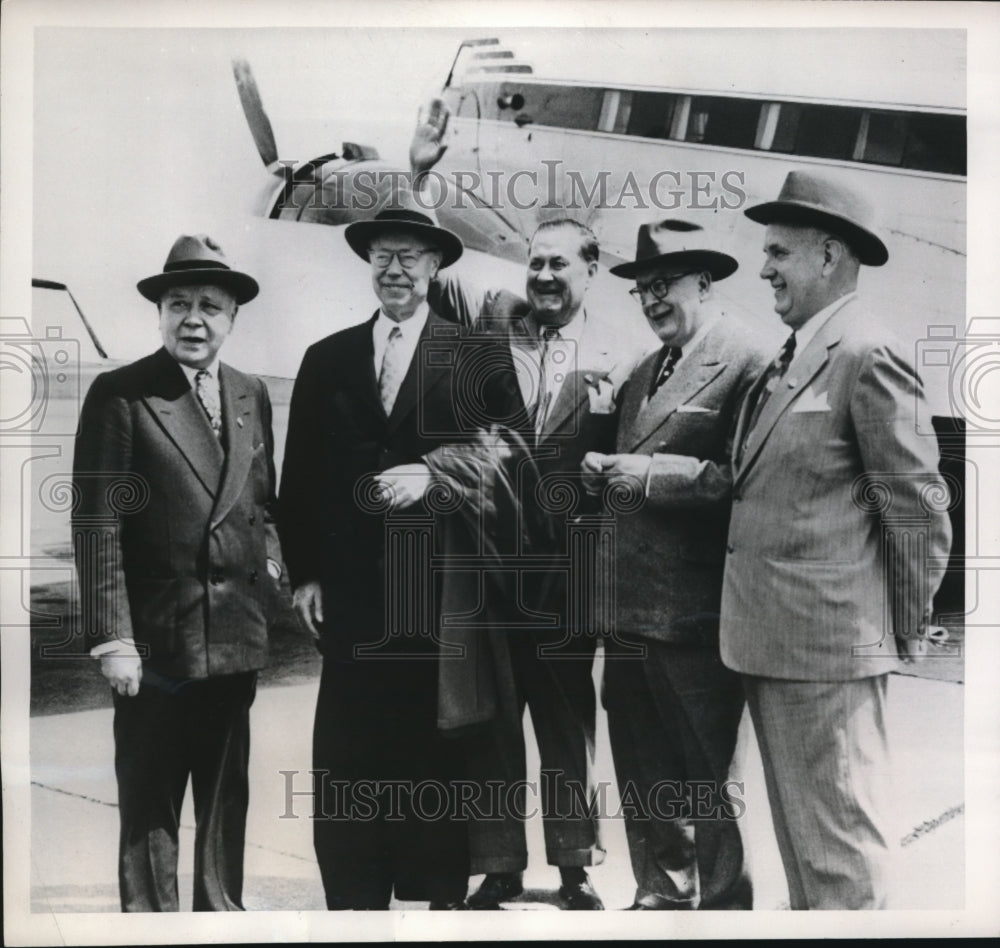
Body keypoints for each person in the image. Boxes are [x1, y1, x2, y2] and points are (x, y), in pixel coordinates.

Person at [277, 193, 523, 910]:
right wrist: (305, 575)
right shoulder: (326, 359)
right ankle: (353, 902)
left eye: (409, 256)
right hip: (350, 598)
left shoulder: (475, 355)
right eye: (382, 255)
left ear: (435, 264)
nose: (394, 269)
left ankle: (437, 896)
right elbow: (301, 480)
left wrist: (433, 472)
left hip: (437, 595)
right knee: (349, 755)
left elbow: (510, 452)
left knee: (432, 754)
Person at [722, 170, 952, 909]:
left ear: (827, 256)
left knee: (842, 860)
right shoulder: (798, 355)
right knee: (811, 860)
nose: (764, 269)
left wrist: (900, 625)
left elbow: (917, 507)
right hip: (780, 647)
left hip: (827, 655)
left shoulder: (866, 354)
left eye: (778, 252)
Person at [436, 218, 648, 910]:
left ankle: (574, 865)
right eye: (536, 264)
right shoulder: (496, 319)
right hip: (494, 565)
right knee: (494, 720)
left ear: (590, 270)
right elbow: (434, 271)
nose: (545, 277)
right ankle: (498, 864)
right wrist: (421, 179)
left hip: (568, 571)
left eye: (560, 264)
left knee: (565, 719)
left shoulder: (622, 353)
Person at [72, 234, 283, 911]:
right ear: (159, 314)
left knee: (225, 803)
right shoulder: (123, 395)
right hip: (157, 644)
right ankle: (149, 923)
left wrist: (273, 564)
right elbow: (98, 525)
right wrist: (113, 639)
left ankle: (220, 917)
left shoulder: (251, 394)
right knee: (151, 806)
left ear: (232, 318)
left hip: (235, 638)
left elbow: (261, 504)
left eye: (210, 306)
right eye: (179, 304)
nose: (194, 319)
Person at [581, 219, 768, 910]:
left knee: (711, 777)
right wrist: (603, 458)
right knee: (641, 766)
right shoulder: (643, 366)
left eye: (665, 286)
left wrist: (647, 474)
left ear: (705, 282)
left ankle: (724, 907)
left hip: (695, 616)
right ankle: (659, 891)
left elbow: (746, 478)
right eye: (643, 289)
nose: (653, 300)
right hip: (627, 610)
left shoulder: (749, 359)